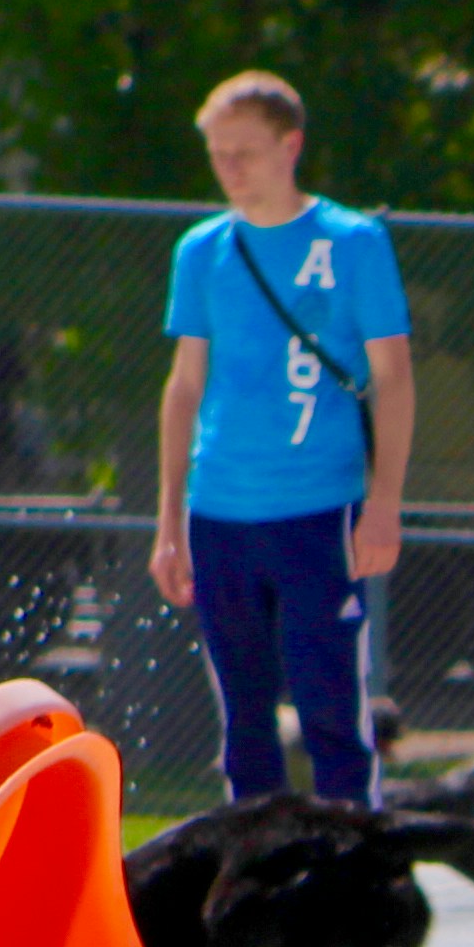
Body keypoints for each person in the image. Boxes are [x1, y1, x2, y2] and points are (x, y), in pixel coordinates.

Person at [149, 69, 413, 806]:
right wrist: (169, 522)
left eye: (245, 152)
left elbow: (393, 376)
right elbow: (184, 387)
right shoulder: (201, 250)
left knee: (332, 706)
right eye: (217, 154)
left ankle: (353, 867)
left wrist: (384, 502)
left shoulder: (354, 242)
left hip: (318, 510)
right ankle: (254, 870)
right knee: (243, 720)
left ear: (290, 146)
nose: (230, 169)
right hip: (221, 511)